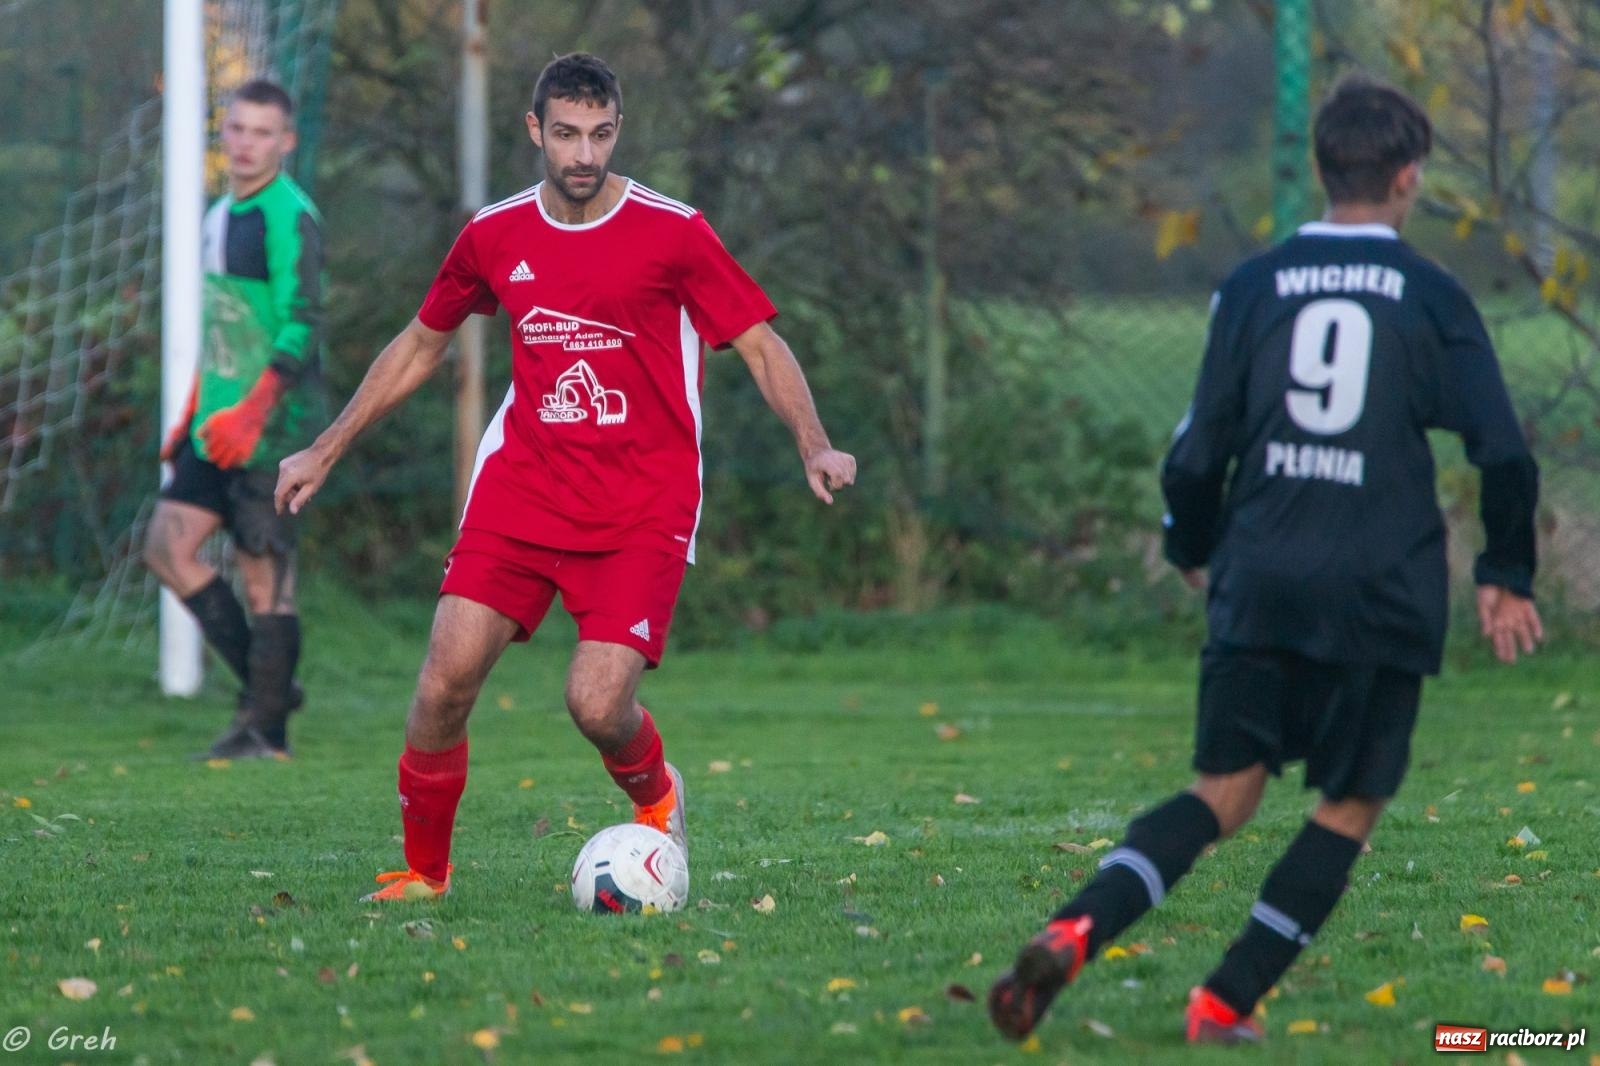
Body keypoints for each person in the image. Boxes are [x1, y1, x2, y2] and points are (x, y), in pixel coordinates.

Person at [988, 74, 1542, 1044]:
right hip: (1380, 586)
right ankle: (1223, 1000)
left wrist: (1192, 546)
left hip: (1262, 572)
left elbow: (1197, 452)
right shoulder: (1431, 294)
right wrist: (1504, 572)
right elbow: (1502, 451)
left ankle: (1076, 927)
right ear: (1407, 177)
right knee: (1351, 797)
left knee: (1222, 793)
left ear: (1325, 173)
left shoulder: (1252, 286)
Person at [274, 53, 856, 902]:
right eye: (567, 134)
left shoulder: (674, 232)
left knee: (595, 704)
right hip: (524, 491)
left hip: (643, 502)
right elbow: (420, 345)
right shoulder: (495, 233)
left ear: (618, 129)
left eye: (601, 134)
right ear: (535, 131)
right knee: (442, 682)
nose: (584, 154)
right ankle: (424, 875)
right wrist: (325, 447)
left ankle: (658, 794)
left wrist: (814, 442)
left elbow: (762, 344)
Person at [144, 78, 325, 760]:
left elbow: (302, 324)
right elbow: (224, 326)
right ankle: (271, 687)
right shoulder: (218, 213)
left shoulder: (291, 215)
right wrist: (192, 411)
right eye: (236, 129)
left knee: (262, 578)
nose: (245, 143)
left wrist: (254, 412)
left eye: (260, 132)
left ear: (285, 141)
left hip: (273, 429)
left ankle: (267, 733)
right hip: (214, 424)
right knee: (166, 547)